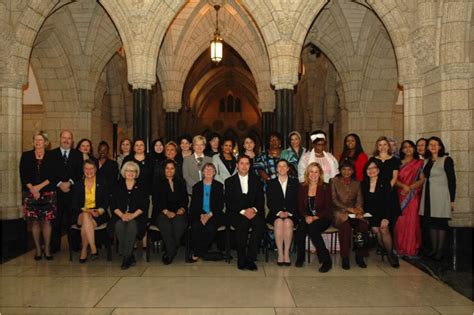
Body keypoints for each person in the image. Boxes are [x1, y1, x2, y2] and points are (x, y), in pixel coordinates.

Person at [20, 131, 58, 260]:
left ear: (45, 142)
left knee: (47, 222)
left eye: (40, 140)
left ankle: (47, 248)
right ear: (33, 142)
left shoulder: (52, 156)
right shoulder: (26, 156)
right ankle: (37, 249)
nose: (38, 142)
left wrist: (39, 188)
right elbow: (23, 176)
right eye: (35, 140)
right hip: (30, 193)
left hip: (48, 192)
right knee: (35, 222)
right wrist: (33, 189)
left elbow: (53, 176)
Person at [225, 155, 265, 271]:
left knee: (259, 226)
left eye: (247, 163)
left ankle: (251, 259)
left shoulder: (256, 180)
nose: (244, 166)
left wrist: (253, 210)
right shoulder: (229, 181)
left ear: (250, 166)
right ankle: (241, 258)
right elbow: (229, 202)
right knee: (242, 225)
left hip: (253, 211)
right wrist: (243, 211)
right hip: (236, 212)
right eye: (241, 163)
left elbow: (260, 199)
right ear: (237, 165)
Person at [419, 137, 456, 261]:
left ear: (440, 146)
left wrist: (452, 199)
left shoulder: (446, 159)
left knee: (440, 224)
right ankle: (434, 249)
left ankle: (440, 251)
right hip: (428, 195)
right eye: (430, 144)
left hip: (441, 196)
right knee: (431, 224)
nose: (433, 146)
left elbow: (452, 180)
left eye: (436, 144)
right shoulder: (426, 161)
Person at [330, 160, 369, 269]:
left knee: (363, 226)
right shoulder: (334, 181)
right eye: (344, 169)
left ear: (353, 171)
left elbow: (360, 200)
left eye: (349, 169)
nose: (346, 172)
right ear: (340, 170)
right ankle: (345, 257)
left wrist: (359, 211)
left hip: (354, 212)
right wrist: (348, 209)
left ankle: (360, 256)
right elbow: (334, 200)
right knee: (345, 227)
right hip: (339, 213)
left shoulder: (357, 183)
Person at [295, 162, 333, 272]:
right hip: (307, 217)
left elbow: (328, 207)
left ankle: (326, 261)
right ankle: (300, 258)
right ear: (307, 173)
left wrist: (317, 217)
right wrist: (306, 216)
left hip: (323, 217)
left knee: (313, 229)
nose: (313, 174)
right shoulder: (302, 187)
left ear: (320, 173)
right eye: (311, 171)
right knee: (300, 229)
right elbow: (300, 206)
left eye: (316, 172)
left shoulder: (325, 187)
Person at [50, 130, 83, 253]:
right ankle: (54, 247)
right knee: (56, 221)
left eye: (69, 138)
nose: (66, 140)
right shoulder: (52, 154)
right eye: (64, 137)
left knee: (72, 220)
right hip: (57, 193)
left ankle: (74, 246)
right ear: (60, 139)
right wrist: (59, 184)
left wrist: (69, 182)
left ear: (72, 140)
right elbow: (50, 173)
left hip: (72, 193)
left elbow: (80, 173)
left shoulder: (77, 154)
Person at [362, 160, 400, 268]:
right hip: (370, 215)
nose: (371, 170)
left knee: (383, 228)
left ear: (378, 170)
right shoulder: (363, 184)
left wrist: (386, 218)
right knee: (375, 230)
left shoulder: (385, 182)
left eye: (373, 168)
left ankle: (390, 254)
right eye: (368, 168)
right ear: (366, 171)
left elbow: (389, 202)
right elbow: (363, 203)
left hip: (385, 212)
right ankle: (388, 250)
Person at [71, 160, 109, 263]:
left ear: (96, 169)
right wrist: (87, 210)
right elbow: (74, 204)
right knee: (86, 215)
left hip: (98, 214)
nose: (89, 171)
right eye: (86, 168)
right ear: (83, 170)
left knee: (86, 224)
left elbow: (106, 202)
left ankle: (84, 250)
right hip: (80, 213)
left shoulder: (102, 183)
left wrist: (99, 211)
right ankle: (93, 248)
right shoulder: (78, 184)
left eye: (91, 168)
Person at [112, 161, 147, 270]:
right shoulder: (117, 186)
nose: (131, 173)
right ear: (124, 172)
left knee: (132, 225)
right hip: (119, 215)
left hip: (137, 217)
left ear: (136, 173)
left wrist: (132, 215)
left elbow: (144, 206)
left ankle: (126, 257)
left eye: (133, 171)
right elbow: (113, 205)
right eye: (128, 170)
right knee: (119, 225)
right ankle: (129, 255)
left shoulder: (141, 186)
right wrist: (122, 215)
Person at [153, 160, 188, 265]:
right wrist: (166, 211)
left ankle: (169, 251)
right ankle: (172, 250)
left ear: (175, 170)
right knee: (166, 225)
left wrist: (182, 208)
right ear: (163, 170)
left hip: (179, 211)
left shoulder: (181, 182)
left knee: (179, 223)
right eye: (167, 168)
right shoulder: (157, 182)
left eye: (172, 168)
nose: (169, 170)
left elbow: (185, 199)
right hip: (161, 211)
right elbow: (156, 201)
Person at [394, 140, 424, 257]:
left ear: (414, 148)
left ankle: (411, 248)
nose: (408, 149)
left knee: (412, 222)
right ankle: (400, 248)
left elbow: (422, 180)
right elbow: (394, 179)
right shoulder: (398, 163)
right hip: (400, 194)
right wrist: (403, 186)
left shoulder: (419, 163)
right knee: (400, 222)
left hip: (413, 196)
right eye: (405, 147)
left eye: (410, 147)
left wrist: (409, 187)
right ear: (402, 150)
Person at [266, 159, 299, 266]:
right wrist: (279, 212)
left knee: (288, 223)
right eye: (279, 166)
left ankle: (286, 253)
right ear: (276, 169)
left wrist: (289, 213)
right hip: (275, 213)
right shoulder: (271, 183)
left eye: (284, 166)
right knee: (279, 222)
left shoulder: (295, 183)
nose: (282, 168)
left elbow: (297, 201)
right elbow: (270, 202)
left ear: (288, 168)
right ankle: (280, 253)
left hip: (292, 213)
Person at [189, 163, 225, 261]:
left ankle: (198, 252)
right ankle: (204, 253)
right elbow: (194, 206)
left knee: (211, 226)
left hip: (214, 214)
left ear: (214, 173)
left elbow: (220, 205)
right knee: (196, 226)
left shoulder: (219, 186)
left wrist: (209, 215)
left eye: (211, 170)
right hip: (199, 214)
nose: (208, 171)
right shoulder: (196, 187)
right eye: (206, 169)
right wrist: (202, 215)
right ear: (203, 172)